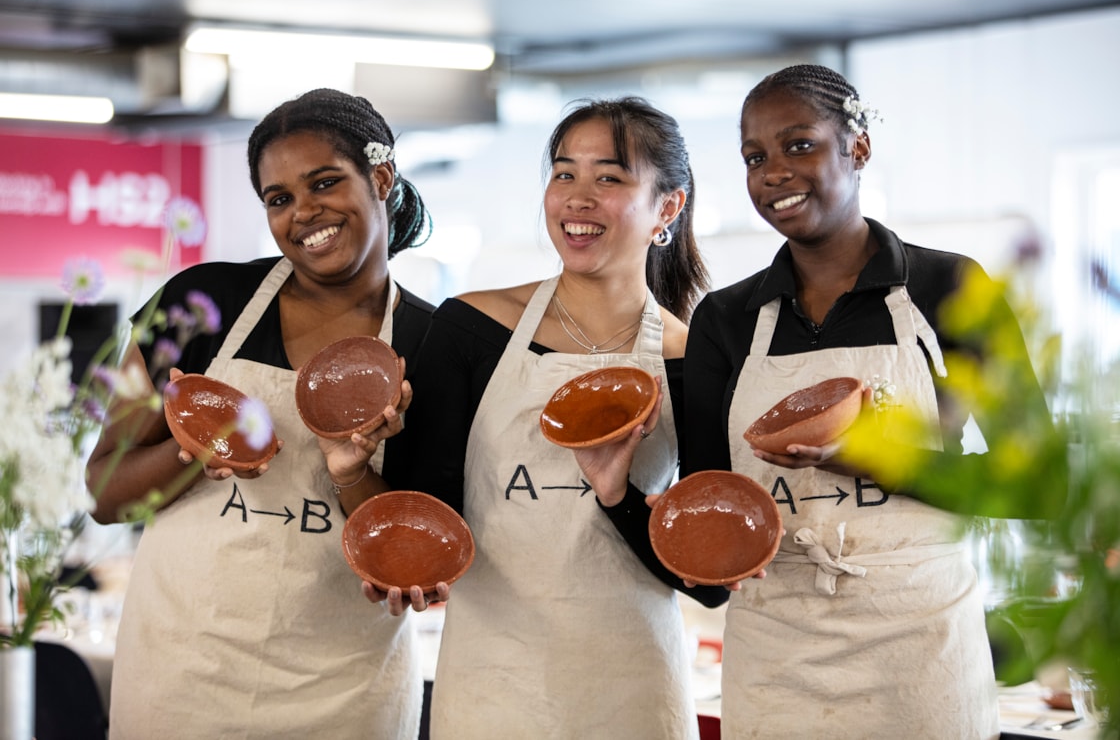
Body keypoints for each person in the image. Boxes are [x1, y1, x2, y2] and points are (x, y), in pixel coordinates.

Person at [680, 64, 1066, 738]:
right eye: (754, 156)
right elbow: (708, 511)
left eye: (799, 144)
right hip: (777, 663)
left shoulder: (951, 288)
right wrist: (652, 510)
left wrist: (869, 458)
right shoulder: (726, 318)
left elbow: (1036, 486)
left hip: (922, 655)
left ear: (857, 149)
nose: (773, 172)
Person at [86, 88, 436, 739]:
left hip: (344, 694)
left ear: (381, 177)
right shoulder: (199, 302)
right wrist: (192, 447)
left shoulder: (434, 346)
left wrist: (352, 471)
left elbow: (411, 560)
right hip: (180, 678)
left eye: (324, 182)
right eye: (279, 198)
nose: (304, 213)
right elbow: (104, 492)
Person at [400, 96, 726, 739]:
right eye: (563, 173)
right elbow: (427, 506)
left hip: (632, 690)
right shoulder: (470, 327)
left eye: (609, 177)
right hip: (492, 685)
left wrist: (617, 495)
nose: (577, 197)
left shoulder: (694, 358)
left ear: (667, 208)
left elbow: (710, 581)